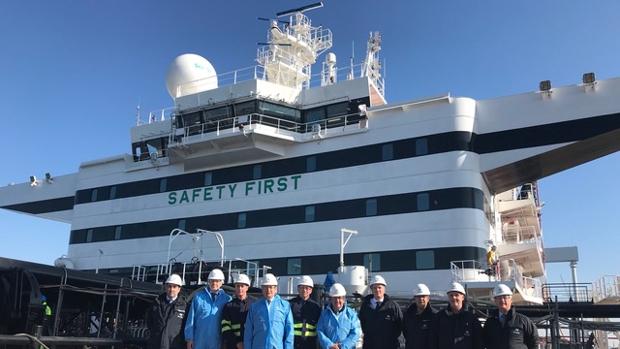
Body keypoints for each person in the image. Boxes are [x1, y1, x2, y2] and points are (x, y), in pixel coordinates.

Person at [244, 273, 294, 349]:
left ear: (276, 289)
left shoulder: (284, 306)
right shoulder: (254, 307)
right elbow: (248, 332)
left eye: (271, 287)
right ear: (262, 289)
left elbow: (289, 332)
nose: (268, 290)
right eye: (265, 287)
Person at [185, 269, 232, 349]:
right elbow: (191, 319)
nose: (214, 283)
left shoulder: (227, 299)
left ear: (222, 282)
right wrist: (189, 339)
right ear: (208, 282)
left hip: (217, 341)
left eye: (217, 281)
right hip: (199, 340)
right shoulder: (198, 297)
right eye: (212, 281)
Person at [482, 284, 538, 349]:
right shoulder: (489, 323)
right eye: (499, 297)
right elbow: (484, 342)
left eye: (505, 297)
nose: (502, 300)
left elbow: (534, 342)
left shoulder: (523, 321)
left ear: (511, 299)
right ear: (495, 301)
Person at [431, 282, 482, 349]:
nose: (454, 298)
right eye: (451, 295)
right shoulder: (439, 317)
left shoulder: (471, 318)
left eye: (456, 295)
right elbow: (433, 340)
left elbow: (478, 342)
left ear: (463, 297)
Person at [357, 275, 403, 349]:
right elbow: (362, 325)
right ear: (371, 289)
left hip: (389, 346)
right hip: (370, 345)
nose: (377, 290)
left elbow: (400, 325)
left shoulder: (393, 306)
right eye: (374, 288)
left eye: (379, 287)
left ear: (384, 289)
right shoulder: (365, 306)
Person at [147, 274, 188, 349]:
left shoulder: (184, 306)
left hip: (174, 345)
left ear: (179, 289)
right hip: (156, 344)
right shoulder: (156, 303)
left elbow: (186, 327)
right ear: (165, 287)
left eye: (174, 287)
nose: (171, 289)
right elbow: (150, 322)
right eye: (169, 286)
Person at [317, 283, 361, 349]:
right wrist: (330, 345)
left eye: (339, 298)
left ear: (343, 299)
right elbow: (320, 331)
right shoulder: (324, 314)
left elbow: (355, 333)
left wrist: (343, 346)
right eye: (335, 298)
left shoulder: (351, 314)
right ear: (331, 299)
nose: (337, 301)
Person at [221, 274, 253, 349]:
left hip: (251, 344)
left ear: (247, 288)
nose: (239, 288)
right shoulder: (228, 306)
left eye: (242, 286)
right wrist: (237, 342)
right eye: (237, 286)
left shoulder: (254, 305)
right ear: (235, 287)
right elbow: (225, 327)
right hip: (233, 345)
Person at [290, 275, 321, 349]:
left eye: (307, 288)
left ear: (311, 290)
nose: (304, 290)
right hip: (294, 343)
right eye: (302, 287)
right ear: (298, 289)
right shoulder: (290, 304)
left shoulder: (316, 307)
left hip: (310, 344)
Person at [403, 283, 436, 349]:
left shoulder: (435, 315)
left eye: (423, 296)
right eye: (418, 296)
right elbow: (405, 333)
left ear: (428, 298)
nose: (421, 299)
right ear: (415, 298)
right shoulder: (408, 315)